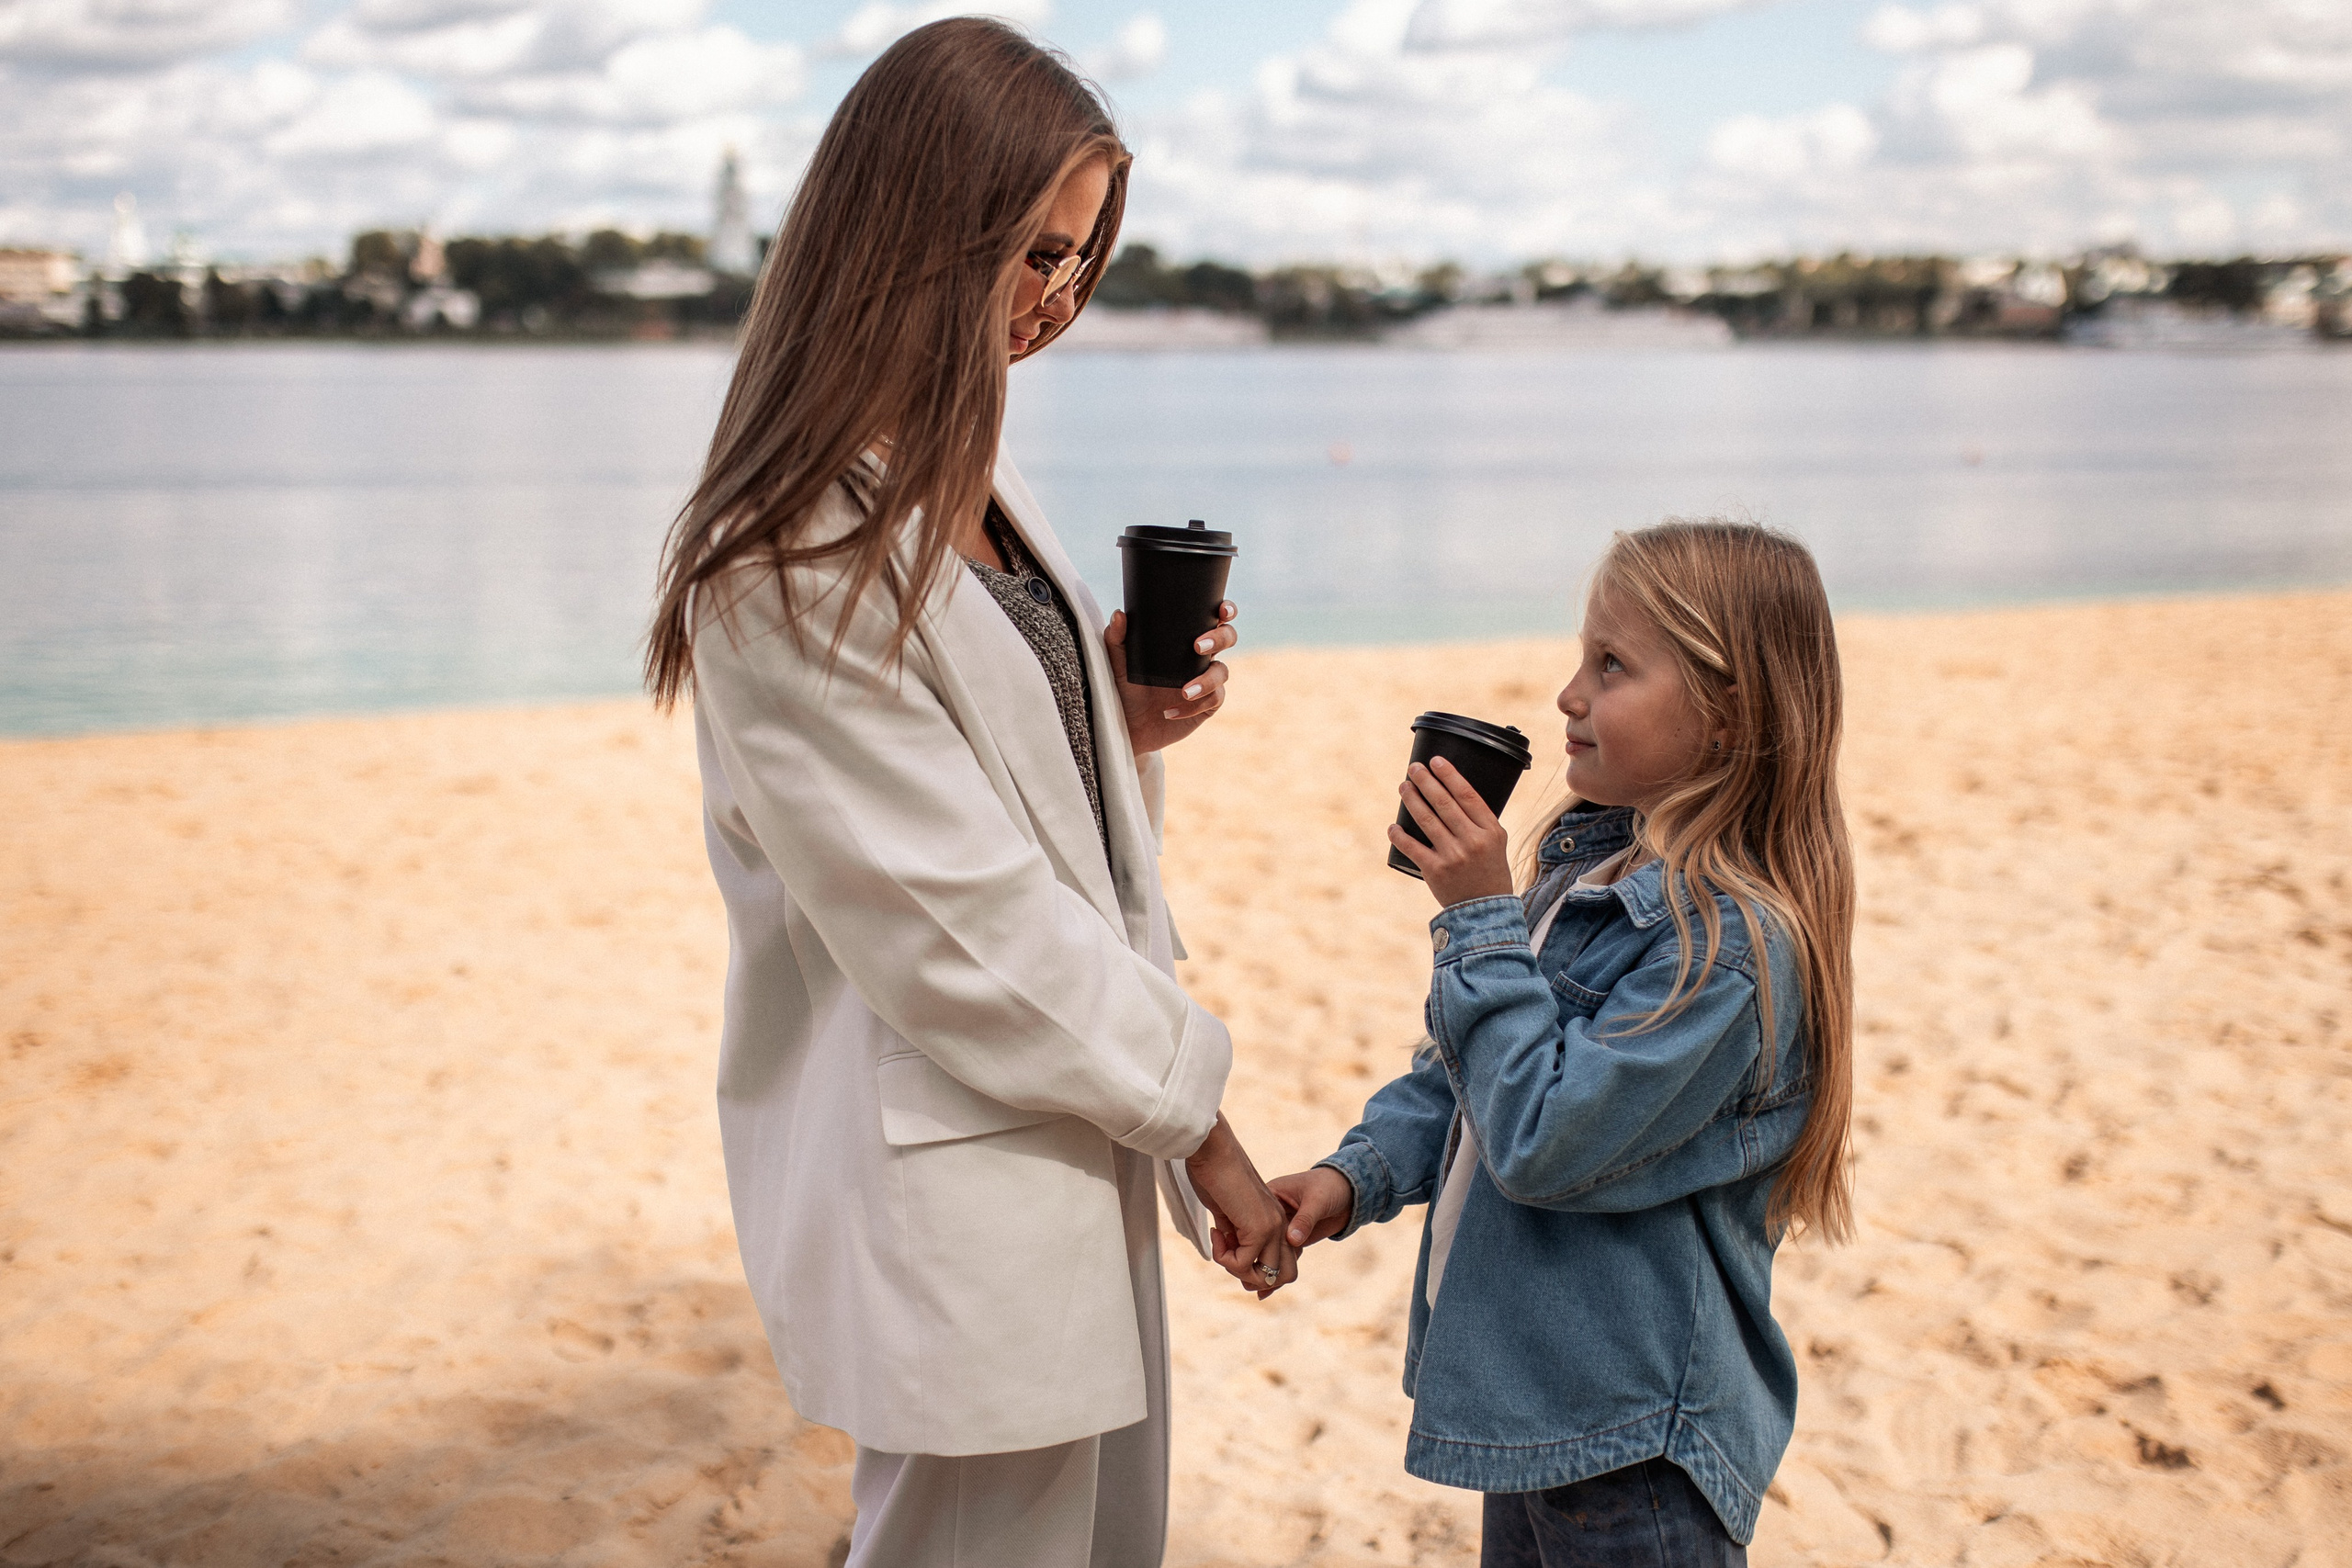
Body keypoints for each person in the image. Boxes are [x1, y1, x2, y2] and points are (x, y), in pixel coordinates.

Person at [643, 20, 1293, 1567]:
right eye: (1037, 252)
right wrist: (1200, 1117)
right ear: (917, 232)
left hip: (1062, 1131)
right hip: (958, 1173)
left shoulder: (967, 482)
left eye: (1083, 258)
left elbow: (1006, 818)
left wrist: (1118, 726)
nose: (1058, 298)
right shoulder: (786, 555)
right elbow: (952, 917)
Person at [1271, 521, 1858, 1565]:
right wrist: (1352, 1177)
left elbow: (1545, 1138)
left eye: (1611, 665)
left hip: (1634, 1445)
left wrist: (1478, 918)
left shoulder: (1726, 949)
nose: (1567, 695)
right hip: (1537, 1412)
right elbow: (1470, 1078)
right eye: (1582, 657)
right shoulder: (1584, 869)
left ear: (1727, 715)